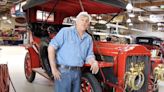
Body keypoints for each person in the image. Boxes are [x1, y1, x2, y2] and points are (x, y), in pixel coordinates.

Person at [48, 12, 99, 92]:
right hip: (63, 72)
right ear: (76, 21)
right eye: (82, 20)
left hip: (77, 73)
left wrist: (94, 62)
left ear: (88, 24)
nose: (84, 22)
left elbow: (89, 55)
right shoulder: (65, 32)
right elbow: (51, 47)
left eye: (86, 21)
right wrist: (53, 68)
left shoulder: (88, 38)